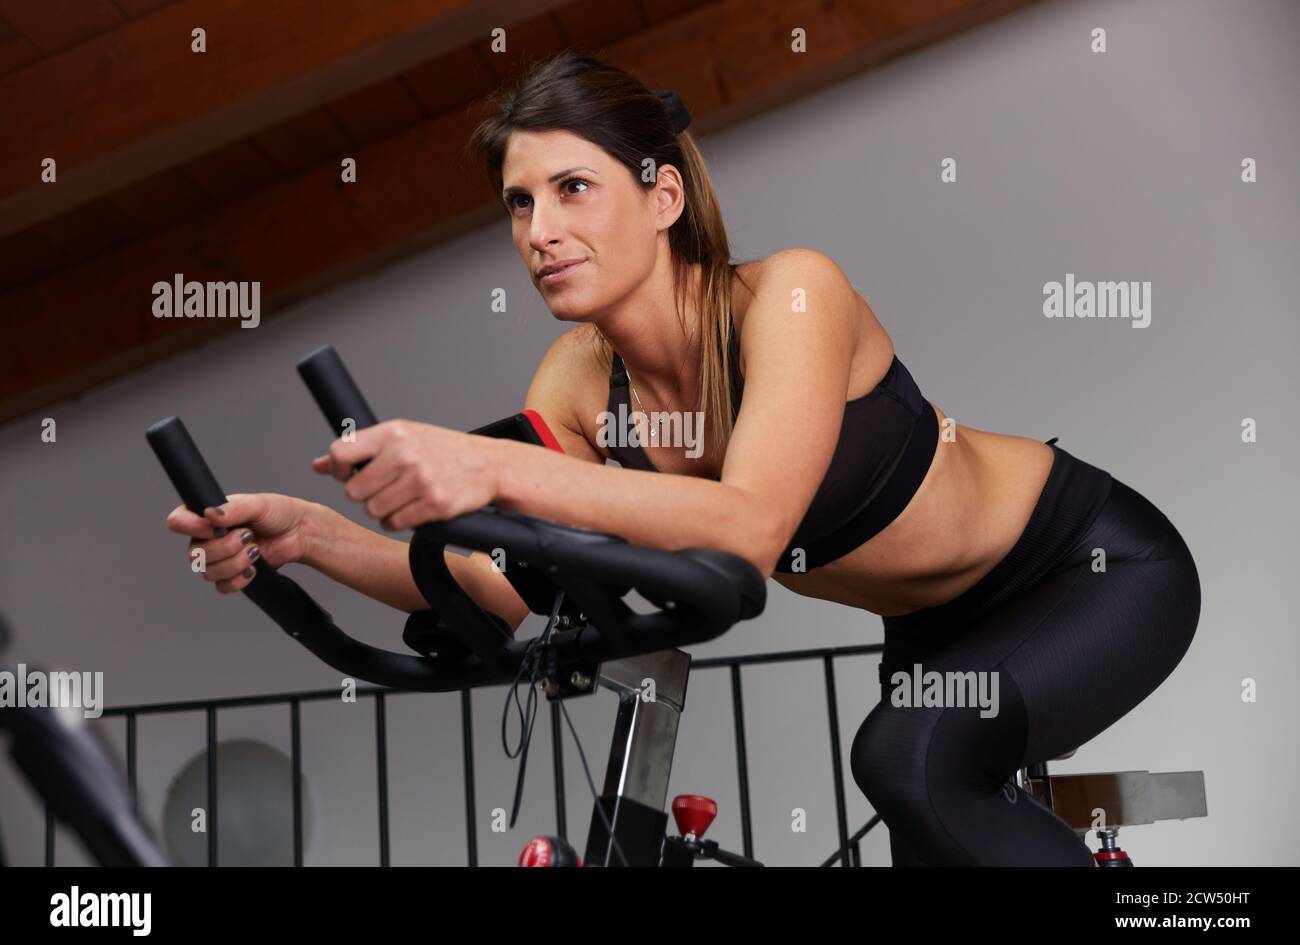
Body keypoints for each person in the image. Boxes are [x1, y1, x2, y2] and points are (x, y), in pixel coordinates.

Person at [165, 51, 1201, 866]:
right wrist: (316, 538)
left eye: (573, 187)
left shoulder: (791, 296)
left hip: (1088, 570)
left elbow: (750, 525)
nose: (540, 230)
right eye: (519, 203)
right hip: (931, 635)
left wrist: (490, 468)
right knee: (931, 809)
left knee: (905, 759)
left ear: (661, 197)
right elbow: (513, 585)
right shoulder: (575, 383)